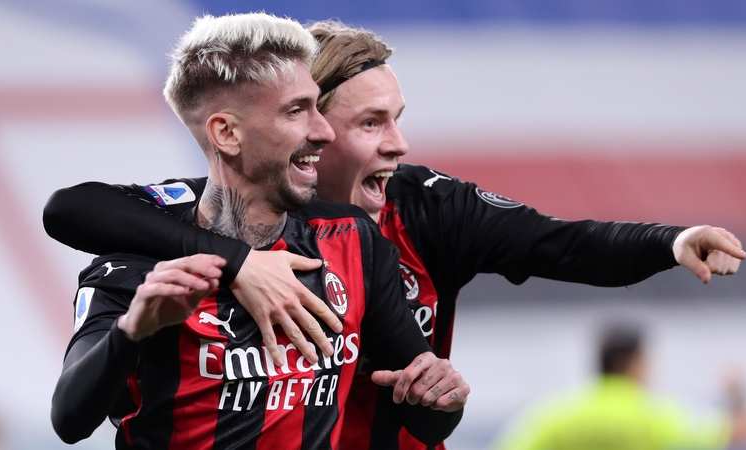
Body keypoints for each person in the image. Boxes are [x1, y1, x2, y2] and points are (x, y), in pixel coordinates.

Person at [43, 19, 746, 450]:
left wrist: (667, 239)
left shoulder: (406, 220)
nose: (400, 144)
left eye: (397, 117)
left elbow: (558, 245)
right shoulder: (178, 233)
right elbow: (75, 212)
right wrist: (234, 266)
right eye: (370, 123)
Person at [49, 13, 470, 449]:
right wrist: (132, 330)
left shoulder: (353, 242)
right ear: (227, 133)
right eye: (296, 111)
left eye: (316, 105)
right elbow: (69, 420)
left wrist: (442, 396)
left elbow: (425, 420)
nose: (324, 132)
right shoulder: (140, 270)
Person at [492, 322, 746, 450]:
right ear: (635, 363)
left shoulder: (554, 415)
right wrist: (736, 392)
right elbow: (742, 432)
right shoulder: (655, 416)